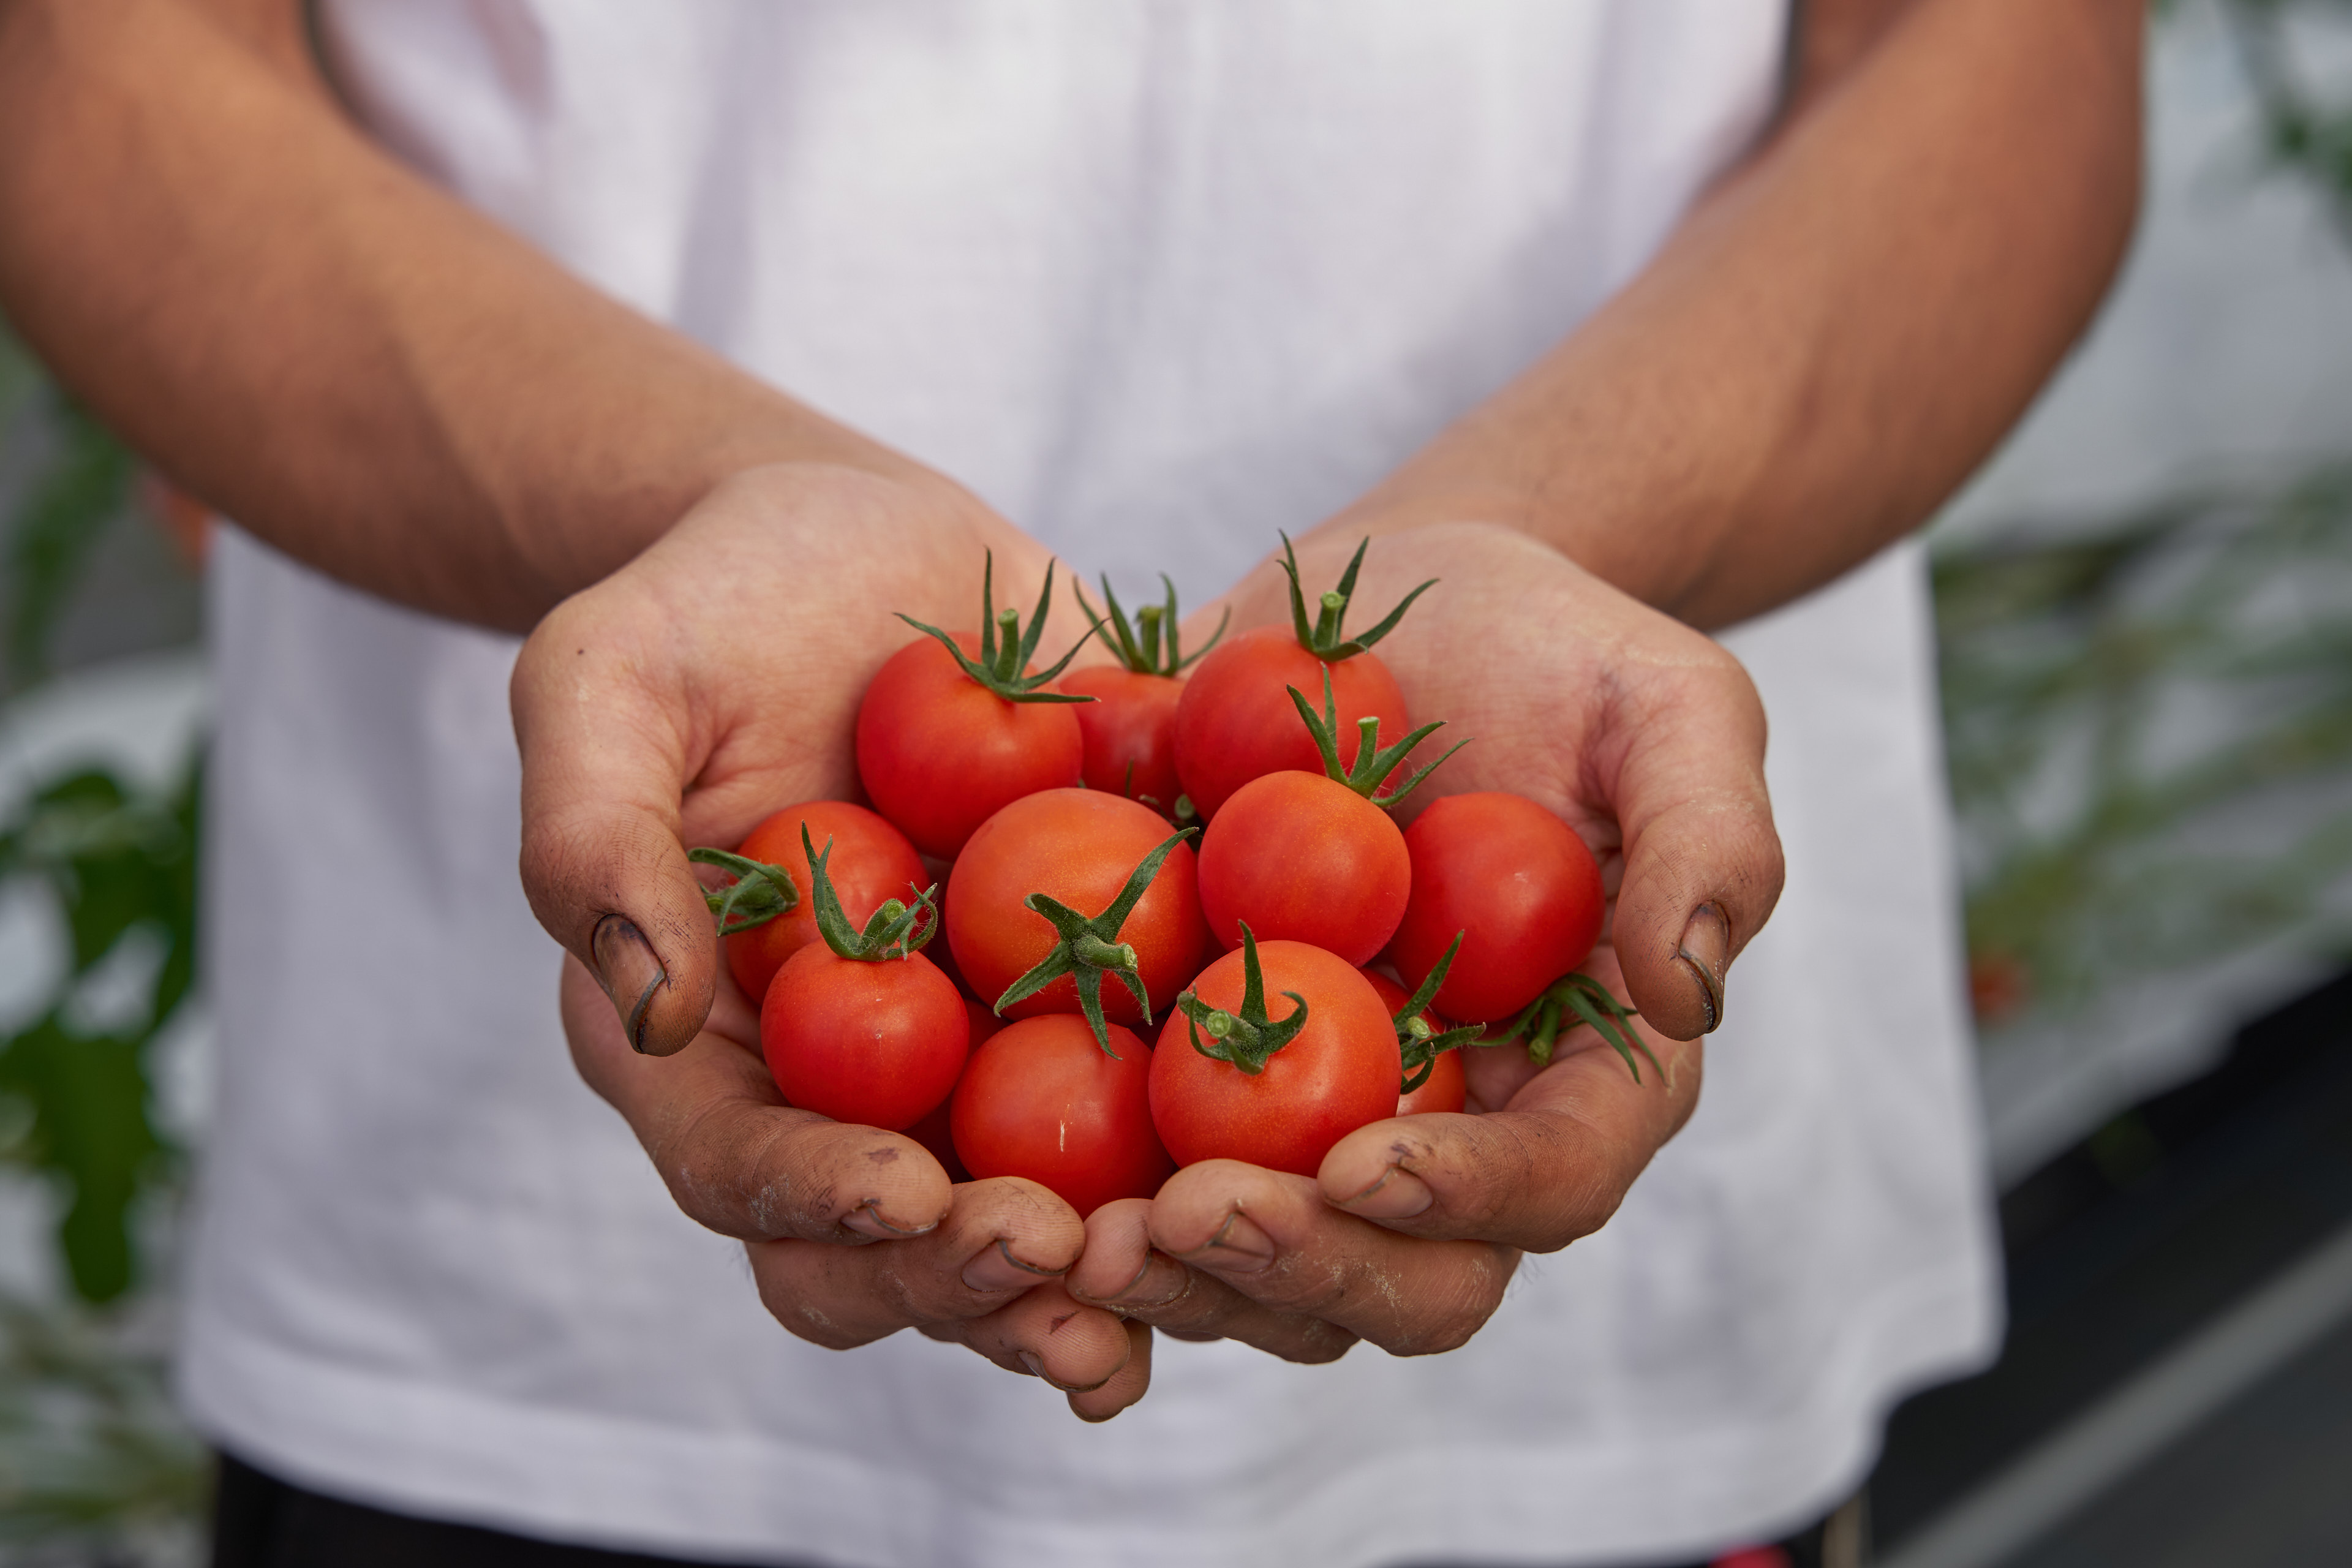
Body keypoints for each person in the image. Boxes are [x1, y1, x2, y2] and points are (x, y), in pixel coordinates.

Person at [0, 1, 2144, 1564]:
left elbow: (2006, 66)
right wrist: (702, 501)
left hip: (1607, 1313)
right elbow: (91, 74)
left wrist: (1553, 544)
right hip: (507, 1309)